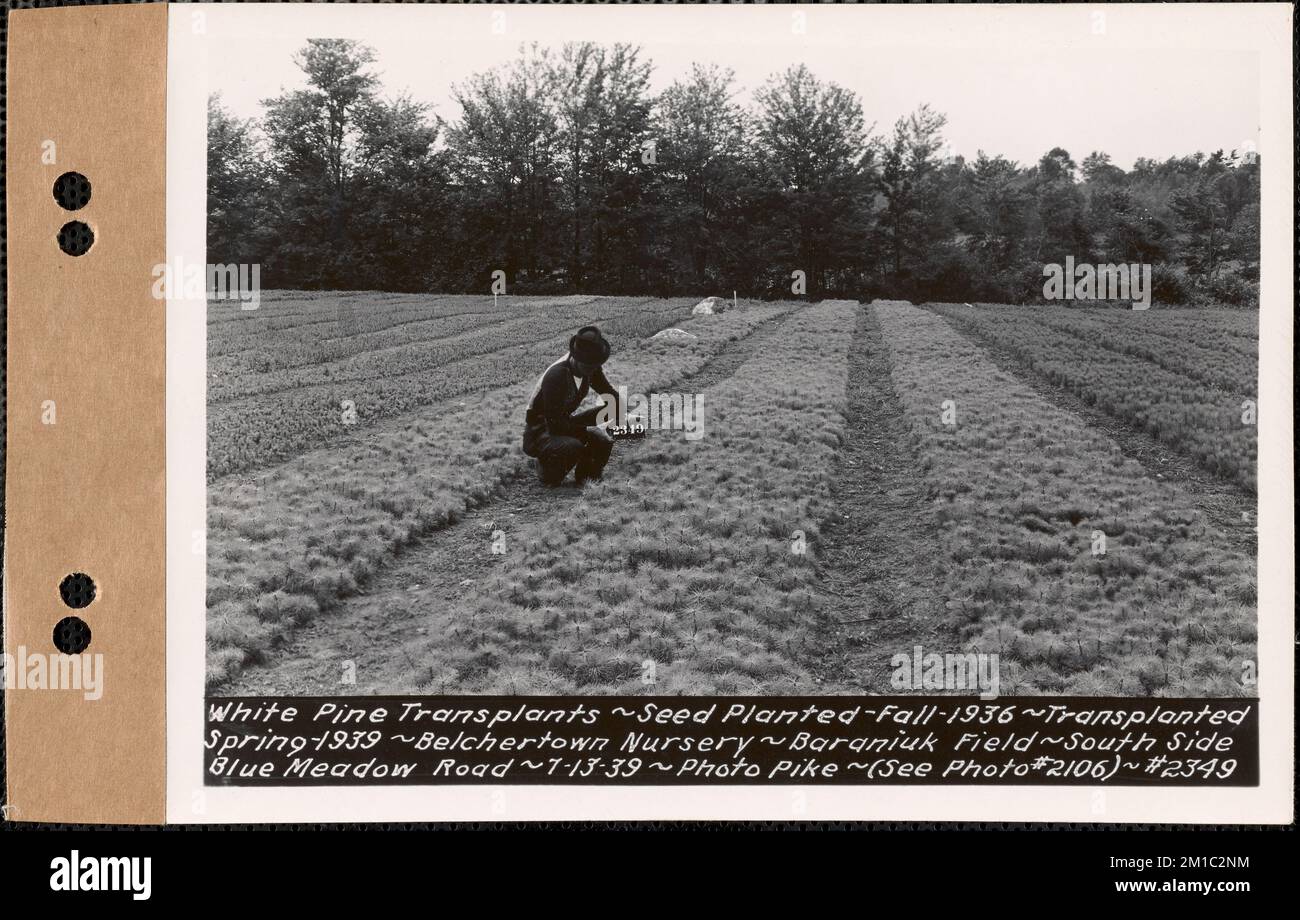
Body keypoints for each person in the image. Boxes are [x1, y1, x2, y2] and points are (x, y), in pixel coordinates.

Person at [522, 325, 619, 486]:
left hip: (563, 421)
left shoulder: (589, 366)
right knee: (574, 446)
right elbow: (555, 424)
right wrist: (590, 430)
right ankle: (546, 469)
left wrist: (621, 410)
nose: (594, 369)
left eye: (596, 364)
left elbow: (608, 393)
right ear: (577, 358)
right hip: (541, 431)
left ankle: (586, 476)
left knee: (613, 413)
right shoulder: (557, 376)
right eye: (589, 365)